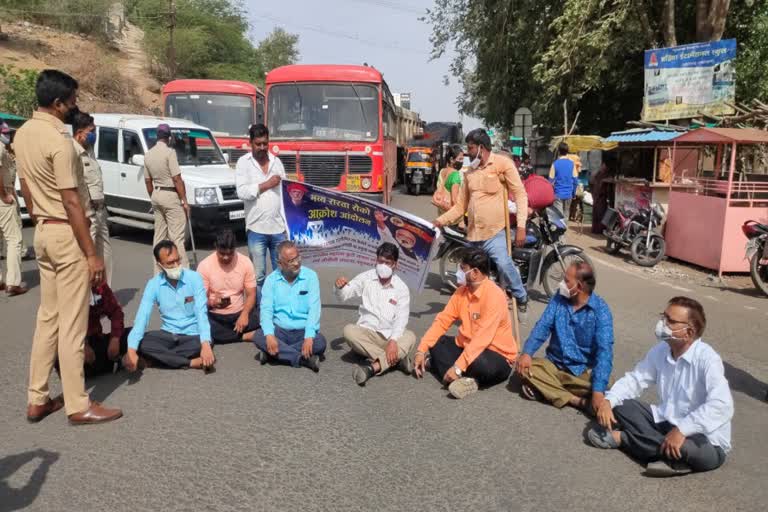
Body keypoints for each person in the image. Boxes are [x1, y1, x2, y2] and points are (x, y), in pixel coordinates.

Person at [16, 69, 121, 425]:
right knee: (73, 325)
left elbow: (27, 188)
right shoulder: (59, 142)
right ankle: (78, 404)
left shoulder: (23, 134)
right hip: (68, 233)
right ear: (58, 103)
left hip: (43, 231)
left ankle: (37, 397)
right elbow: (73, 201)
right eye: (72, 101)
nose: (74, 107)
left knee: (48, 318)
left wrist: (40, 218)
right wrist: (92, 253)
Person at [587, 297, 734, 477]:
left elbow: (722, 405)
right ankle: (668, 456)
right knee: (622, 405)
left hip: (706, 440)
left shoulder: (708, 360)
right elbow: (635, 379)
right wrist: (608, 401)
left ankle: (625, 439)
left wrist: (682, 430)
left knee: (686, 448)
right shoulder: (661, 350)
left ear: (688, 332)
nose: (663, 323)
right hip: (666, 422)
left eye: (670, 321)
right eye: (663, 317)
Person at [433, 128, 530, 314]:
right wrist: (440, 221)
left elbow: (520, 195)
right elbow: (460, 207)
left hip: (495, 233)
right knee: (468, 277)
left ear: (481, 148)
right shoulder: (469, 173)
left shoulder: (503, 164)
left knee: (503, 262)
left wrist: (521, 226)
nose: (467, 153)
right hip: (474, 235)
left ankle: (521, 295)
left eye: (470, 148)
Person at [414, 248, 518, 399]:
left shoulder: (495, 296)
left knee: (481, 364)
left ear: (475, 272)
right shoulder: (461, 292)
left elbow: (483, 338)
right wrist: (421, 350)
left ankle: (459, 374)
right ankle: (464, 379)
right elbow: (442, 321)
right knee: (437, 343)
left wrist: (458, 367)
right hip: (467, 347)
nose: (459, 273)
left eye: (463, 269)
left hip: (494, 354)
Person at [516, 262, 614, 412]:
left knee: (606, 387)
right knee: (527, 368)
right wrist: (527, 353)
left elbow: (604, 350)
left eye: (567, 281)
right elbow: (543, 326)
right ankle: (576, 401)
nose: (561, 284)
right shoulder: (559, 299)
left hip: (581, 371)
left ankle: (549, 390)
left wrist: (598, 391)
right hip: (554, 365)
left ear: (579, 287)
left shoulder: (601, 311)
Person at [125, 240, 215, 371]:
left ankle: (159, 360)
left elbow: (201, 312)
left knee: (202, 343)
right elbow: (142, 317)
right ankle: (189, 363)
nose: (176, 265)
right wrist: (131, 350)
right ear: (160, 265)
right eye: (170, 263)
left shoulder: (194, 278)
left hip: (192, 335)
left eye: (177, 260)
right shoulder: (153, 284)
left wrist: (205, 344)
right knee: (143, 343)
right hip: (167, 334)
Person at [335, 242, 416, 385]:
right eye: (380, 261)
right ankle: (396, 361)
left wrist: (392, 341)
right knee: (349, 331)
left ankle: (372, 368)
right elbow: (345, 294)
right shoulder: (366, 278)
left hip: (390, 336)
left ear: (395, 265)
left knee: (410, 336)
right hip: (368, 332)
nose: (383, 265)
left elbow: (401, 319)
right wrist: (339, 287)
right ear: (376, 260)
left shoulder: (401, 288)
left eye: (387, 262)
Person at [252, 241, 326, 372]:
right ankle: (302, 359)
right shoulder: (271, 280)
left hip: (303, 331)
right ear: (280, 264)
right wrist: (269, 335)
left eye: (298, 258)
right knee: (259, 335)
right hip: (280, 330)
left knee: (320, 342)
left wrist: (309, 336)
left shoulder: (311, 276)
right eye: (291, 261)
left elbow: (314, 309)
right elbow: (266, 310)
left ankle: (273, 354)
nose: (296, 263)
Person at [235, 123, 287, 295]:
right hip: (256, 228)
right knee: (258, 276)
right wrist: (266, 184)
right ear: (251, 143)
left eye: (265, 143)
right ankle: (258, 314)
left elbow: (285, 192)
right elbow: (242, 192)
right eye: (258, 144)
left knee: (282, 274)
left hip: (278, 228)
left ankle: (279, 311)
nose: (262, 147)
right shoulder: (244, 163)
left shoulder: (276, 162)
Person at [197, 229, 260, 344]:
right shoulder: (204, 265)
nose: (226, 257)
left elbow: (251, 294)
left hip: (239, 313)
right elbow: (199, 299)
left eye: (230, 254)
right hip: (216, 316)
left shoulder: (245, 262)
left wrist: (244, 314)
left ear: (235, 249)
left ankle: (221, 337)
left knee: (265, 317)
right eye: (222, 254)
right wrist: (211, 302)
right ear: (216, 247)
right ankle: (244, 336)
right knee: (197, 322)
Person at [71, 111, 113, 286]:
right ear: (80, 132)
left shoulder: (89, 151)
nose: (94, 135)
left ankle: (105, 293)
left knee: (106, 254)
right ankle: (87, 296)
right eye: (91, 131)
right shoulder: (72, 152)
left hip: (100, 210)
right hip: (88, 214)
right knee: (87, 257)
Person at [144, 123, 189, 272]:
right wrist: (184, 201)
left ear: (157, 136)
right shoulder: (170, 153)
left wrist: (154, 196)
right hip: (170, 194)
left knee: (159, 236)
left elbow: (147, 181)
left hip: (156, 194)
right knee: (177, 236)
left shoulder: (148, 154)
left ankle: (158, 272)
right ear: (168, 138)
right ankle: (184, 272)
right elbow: (177, 178)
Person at [61, 282, 129, 378]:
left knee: (133, 335)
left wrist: (115, 338)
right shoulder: (67, 288)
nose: (99, 275)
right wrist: (83, 344)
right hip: (73, 342)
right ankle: (118, 361)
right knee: (69, 361)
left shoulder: (100, 286)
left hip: (96, 339)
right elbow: (63, 324)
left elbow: (116, 312)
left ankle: (116, 360)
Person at [0, 125, 27, 296]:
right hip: (4, 196)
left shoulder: (5, 149)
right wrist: (4, 195)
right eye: (5, 133)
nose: (8, 135)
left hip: (5, 194)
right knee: (14, 240)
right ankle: (13, 283)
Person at [549, 142, 579, 218]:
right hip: (569, 194)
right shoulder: (572, 164)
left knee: (558, 217)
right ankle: (565, 229)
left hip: (558, 194)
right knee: (566, 214)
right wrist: (573, 193)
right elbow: (575, 180)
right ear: (567, 151)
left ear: (558, 151)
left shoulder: (555, 164)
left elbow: (550, 181)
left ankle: (560, 229)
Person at [432, 144, 464, 216]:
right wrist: (461, 219)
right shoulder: (456, 174)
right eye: (460, 159)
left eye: (463, 159)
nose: (462, 162)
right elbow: (454, 200)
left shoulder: (442, 171)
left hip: (441, 215)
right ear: (452, 160)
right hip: (451, 219)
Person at [589, 157, 616, 234]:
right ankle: (596, 229)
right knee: (598, 213)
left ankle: (598, 229)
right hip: (598, 195)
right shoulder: (599, 174)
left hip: (600, 196)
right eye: (602, 165)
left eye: (604, 166)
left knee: (600, 213)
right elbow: (594, 182)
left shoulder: (605, 174)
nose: (603, 167)